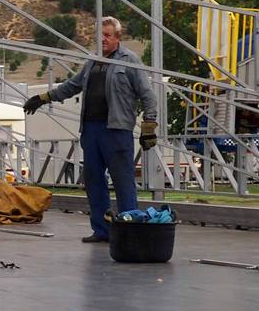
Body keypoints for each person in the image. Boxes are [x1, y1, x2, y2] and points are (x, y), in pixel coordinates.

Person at [24, 17, 160, 243]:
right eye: (100, 36)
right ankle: (102, 230)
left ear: (118, 38)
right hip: (91, 129)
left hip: (116, 130)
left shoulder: (130, 61)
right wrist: (44, 97)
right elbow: (72, 86)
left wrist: (150, 124)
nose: (103, 40)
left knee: (123, 182)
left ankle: (128, 230)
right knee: (94, 181)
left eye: (108, 35)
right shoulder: (92, 62)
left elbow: (147, 94)